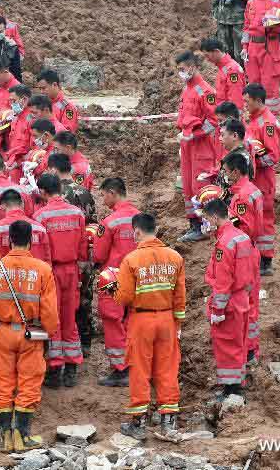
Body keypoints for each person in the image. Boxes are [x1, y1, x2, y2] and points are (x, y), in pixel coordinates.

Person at [0, 220, 57, 453]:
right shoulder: (42, 269)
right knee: (29, 383)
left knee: (2, 382)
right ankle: (22, 437)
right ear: (30, 240)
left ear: (9, 240)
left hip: (2, 332)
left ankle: (4, 438)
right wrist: (48, 332)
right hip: (30, 334)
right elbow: (50, 312)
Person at [113, 213, 185, 441]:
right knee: (167, 369)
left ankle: (139, 423)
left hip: (141, 321)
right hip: (167, 321)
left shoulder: (131, 260)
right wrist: (177, 324)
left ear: (136, 232)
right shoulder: (175, 257)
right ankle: (168, 422)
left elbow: (124, 297)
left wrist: (112, 292)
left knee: (139, 369)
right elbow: (180, 297)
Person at [33, 173, 87, 387]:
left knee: (51, 318)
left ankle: (55, 369)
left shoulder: (40, 217)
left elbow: (39, 251)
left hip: (51, 272)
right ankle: (72, 367)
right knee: (69, 317)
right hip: (73, 271)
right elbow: (84, 248)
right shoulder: (77, 213)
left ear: (43, 192)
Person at [200, 199, 256, 402]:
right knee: (239, 343)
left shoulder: (224, 243)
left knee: (227, 345)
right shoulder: (241, 237)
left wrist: (217, 310)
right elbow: (250, 272)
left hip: (229, 301)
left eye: (206, 219)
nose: (206, 223)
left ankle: (232, 390)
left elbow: (224, 281)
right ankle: (235, 384)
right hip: (241, 298)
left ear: (215, 217)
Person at [93, 177, 139, 387]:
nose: (103, 200)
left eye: (103, 195)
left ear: (112, 193)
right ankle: (135, 364)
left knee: (113, 321)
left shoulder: (110, 222)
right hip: (139, 277)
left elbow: (99, 255)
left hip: (114, 278)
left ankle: (121, 369)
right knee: (133, 321)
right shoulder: (140, 217)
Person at [221, 152, 264, 362]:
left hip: (243, 256)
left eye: (227, 172)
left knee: (244, 303)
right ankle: (251, 348)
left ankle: (247, 349)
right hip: (252, 251)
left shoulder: (242, 197)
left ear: (236, 172)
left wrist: (224, 220)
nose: (226, 176)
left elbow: (243, 229)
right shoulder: (253, 190)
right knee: (252, 301)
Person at [175, 51, 218, 242]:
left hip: (201, 147)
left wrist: (195, 134)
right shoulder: (187, 89)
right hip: (187, 146)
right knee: (187, 186)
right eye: (178, 70)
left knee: (200, 186)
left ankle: (206, 226)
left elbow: (214, 121)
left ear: (192, 67)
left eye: (182, 69)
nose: (181, 73)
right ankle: (194, 225)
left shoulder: (205, 91)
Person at [243, 83, 280, 276]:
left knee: (264, 219)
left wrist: (252, 160)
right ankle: (255, 256)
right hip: (253, 179)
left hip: (263, 180)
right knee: (252, 218)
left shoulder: (267, 123)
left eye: (247, 101)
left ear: (258, 100)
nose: (244, 105)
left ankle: (266, 261)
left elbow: (272, 156)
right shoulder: (253, 120)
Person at [242, 0, 280, 115]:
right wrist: (244, 47)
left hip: (270, 46)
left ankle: (271, 117)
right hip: (252, 48)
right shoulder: (251, 1)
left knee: (269, 83)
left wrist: (273, 24)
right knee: (254, 83)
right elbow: (246, 26)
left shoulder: (279, 1)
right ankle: (255, 114)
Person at [0, 189, 48, 262]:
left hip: (6, 272)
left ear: (2, 206)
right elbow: (47, 259)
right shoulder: (40, 228)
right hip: (34, 272)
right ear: (22, 204)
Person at [47, 153, 96, 223]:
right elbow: (92, 219)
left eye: (48, 169)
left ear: (53, 170)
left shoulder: (55, 193)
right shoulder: (85, 191)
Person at [199, 37, 246, 108]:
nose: (207, 59)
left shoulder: (231, 70)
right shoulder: (223, 68)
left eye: (207, 55)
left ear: (216, 51)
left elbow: (236, 99)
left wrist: (232, 117)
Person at [3, 85, 36, 184]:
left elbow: (33, 149)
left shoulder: (32, 120)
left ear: (24, 99)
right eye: (10, 101)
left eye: (13, 101)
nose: (11, 104)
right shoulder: (16, 116)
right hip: (12, 166)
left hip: (24, 169)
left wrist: (17, 163)